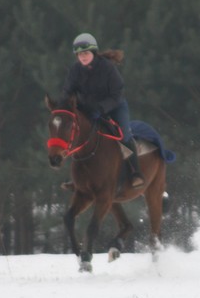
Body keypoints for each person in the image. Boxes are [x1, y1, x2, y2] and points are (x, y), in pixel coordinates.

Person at [61, 32, 144, 189]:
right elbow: (68, 90)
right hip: (88, 108)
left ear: (93, 53)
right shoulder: (75, 70)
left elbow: (117, 93)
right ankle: (76, 177)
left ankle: (135, 172)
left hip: (114, 106)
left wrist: (101, 108)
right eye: (79, 54)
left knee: (124, 135)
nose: (83, 57)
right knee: (75, 133)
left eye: (86, 53)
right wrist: (65, 105)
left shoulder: (107, 68)